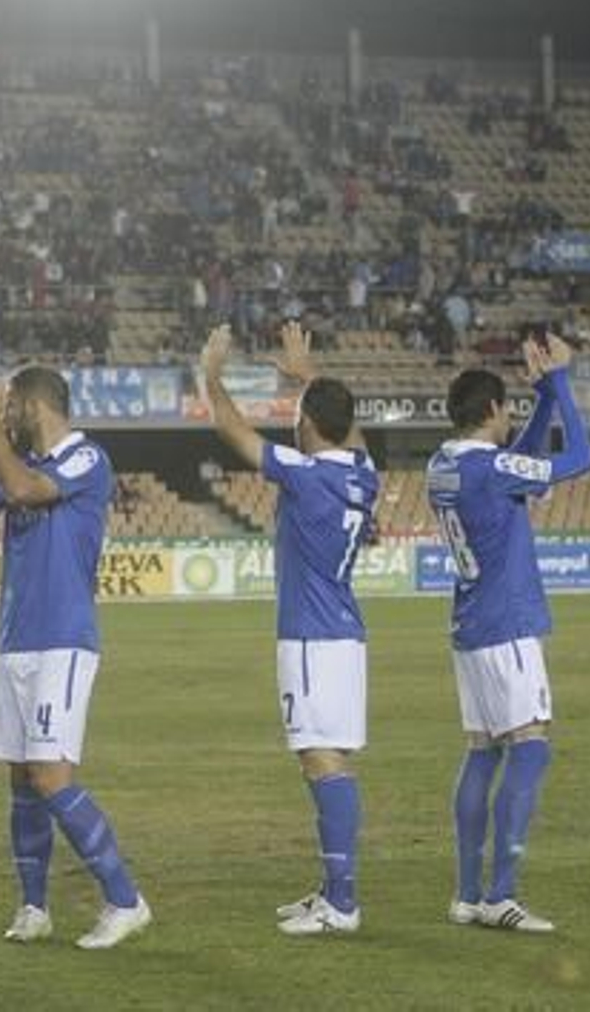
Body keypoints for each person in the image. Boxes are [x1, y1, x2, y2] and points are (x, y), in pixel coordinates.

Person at [0, 366, 151, 950]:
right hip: (16, 641)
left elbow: (24, 492)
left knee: (51, 776)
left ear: (34, 405)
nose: (4, 414)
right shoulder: (24, 467)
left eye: (9, 405)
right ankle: (34, 907)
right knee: (21, 780)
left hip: (63, 639)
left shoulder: (87, 459)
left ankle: (124, 899)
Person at [199, 323, 377, 935]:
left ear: (306, 424)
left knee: (320, 759)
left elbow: (232, 432)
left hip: (311, 635)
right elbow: (343, 424)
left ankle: (343, 903)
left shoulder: (306, 473)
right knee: (328, 756)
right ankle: (332, 890)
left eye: (301, 413)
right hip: (345, 633)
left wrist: (213, 374)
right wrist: (309, 379)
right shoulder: (362, 472)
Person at [426, 334, 590, 933]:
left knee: (483, 750)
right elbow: (579, 457)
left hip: (470, 625)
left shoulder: (443, 465)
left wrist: (542, 397)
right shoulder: (490, 467)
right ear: (494, 411)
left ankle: (468, 895)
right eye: (508, 412)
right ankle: (501, 894)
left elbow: (518, 469)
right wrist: (560, 385)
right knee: (531, 745)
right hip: (508, 622)